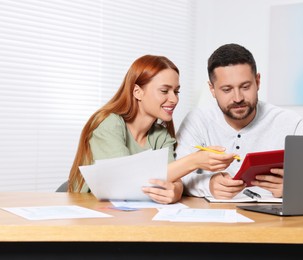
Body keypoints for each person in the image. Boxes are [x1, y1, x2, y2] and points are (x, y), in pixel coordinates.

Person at [68, 54, 236, 204]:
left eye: (176, 91)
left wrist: (176, 191)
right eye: (164, 91)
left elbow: (173, 178)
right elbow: (124, 182)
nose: (173, 99)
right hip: (93, 216)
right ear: (137, 92)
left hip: (137, 218)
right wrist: (194, 161)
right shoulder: (109, 123)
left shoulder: (161, 135)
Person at [175, 43, 303, 199]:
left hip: (272, 221)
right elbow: (177, 175)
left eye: (245, 86)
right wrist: (208, 185)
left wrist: (295, 189)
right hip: (214, 219)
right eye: (227, 89)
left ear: (258, 81)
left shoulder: (292, 124)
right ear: (212, 89)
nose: (238, 98)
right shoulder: (197, 121)